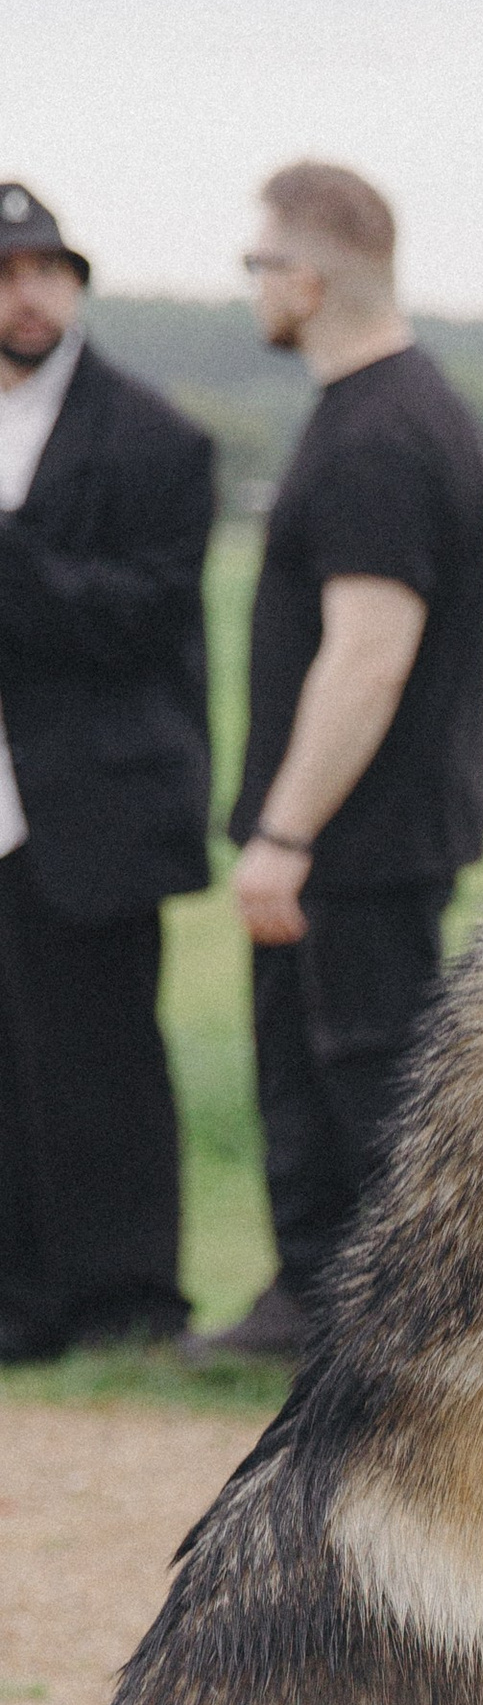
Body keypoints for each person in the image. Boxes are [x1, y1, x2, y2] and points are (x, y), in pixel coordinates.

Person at [193, 161, 483, 1363]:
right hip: (363, 834)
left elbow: (368, 656)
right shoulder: (389, 409)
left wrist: (286, 832)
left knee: (367, 1086)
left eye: (259, 264)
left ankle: (404, 1337)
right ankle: (310, 1306)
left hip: (358, 838)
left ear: (307, 279)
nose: (254, 287)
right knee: (309, 1079)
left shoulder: (379, 434)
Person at [0, 182, 214, 1360]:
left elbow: (144, 617)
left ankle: (126, 1301)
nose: (31, 295)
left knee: (103, 1058)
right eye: (9, 273)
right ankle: (19, 1305)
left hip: (93, 802)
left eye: (50, 271)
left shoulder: (152, 437)